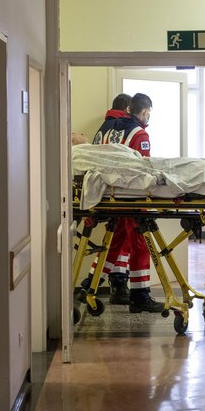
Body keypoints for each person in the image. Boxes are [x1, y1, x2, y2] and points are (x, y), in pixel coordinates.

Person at [82, 93, 164, 313]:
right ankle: (140, 294)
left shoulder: (104, 130)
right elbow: (143, 170)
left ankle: (91, 283)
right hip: (131, 197)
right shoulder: (138, 133)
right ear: (145, 111)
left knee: (116, 241)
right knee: (139, 244)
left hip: (105, 196)